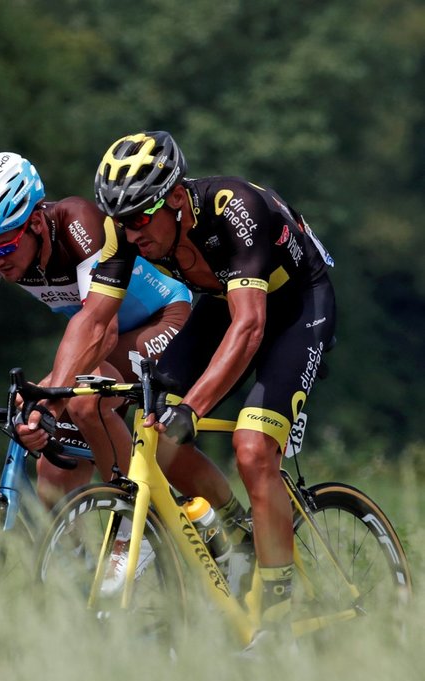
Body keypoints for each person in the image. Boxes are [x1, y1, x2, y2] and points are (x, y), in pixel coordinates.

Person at [20, 131, 336, 635]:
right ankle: (235, 530)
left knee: (252, 449)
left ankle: (279, 611)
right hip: (220, 304)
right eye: (121, 221)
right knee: (154, 428)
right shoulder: (125, 230)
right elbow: (94, 319)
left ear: (174, 200)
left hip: (294, 308)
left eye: (142, 218)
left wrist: (193, 406)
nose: (131, 232)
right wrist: (55, 395)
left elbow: (251, 326)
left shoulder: (235, 210)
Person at [0, 152, 203, 508]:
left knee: (84, 399)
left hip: (163, 319)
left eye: (4, 246)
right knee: (54, 479)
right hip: (100, 343)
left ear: (35, 222)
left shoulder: (77, 224)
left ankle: (139, 519)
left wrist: (48, 387)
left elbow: (102, 328)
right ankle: (70, 558)